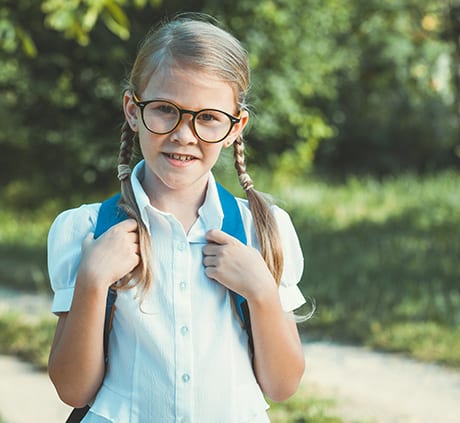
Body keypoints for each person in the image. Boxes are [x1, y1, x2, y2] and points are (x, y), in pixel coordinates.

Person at [47, 13, 307, 422]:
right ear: (133, 111)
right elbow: (72, 388)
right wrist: (93, 281)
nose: (184, 134)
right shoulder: (87, 232)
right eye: (166, 109)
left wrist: (261, 291)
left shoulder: (263, 230)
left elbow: (283, 386)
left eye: (207, 117)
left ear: (236, 126)